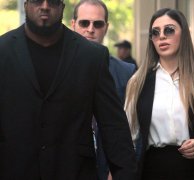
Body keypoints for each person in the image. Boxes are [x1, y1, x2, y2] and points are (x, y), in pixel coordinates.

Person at [0, 0, 137, 179]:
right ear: (25, 4)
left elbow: (113, 126)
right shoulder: (3, 51)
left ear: (63, 6)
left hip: (74, 171)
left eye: (53, 1)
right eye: (37, 0)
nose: (45, 6)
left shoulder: (91, 56)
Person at [125, 8, 194, 180]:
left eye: (169, 30)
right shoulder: (138, 82)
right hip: (152, 169)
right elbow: (127, 136)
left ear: (183, 34)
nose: (161, 36)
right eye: (155, 33)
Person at [71, 0, 136, 180]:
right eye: (84, 23)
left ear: (106, 27)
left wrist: (117, 168)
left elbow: (131, 126)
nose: (90, 29)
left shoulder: (126, 72)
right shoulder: (60, 67)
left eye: (97, 24)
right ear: (73, 24)